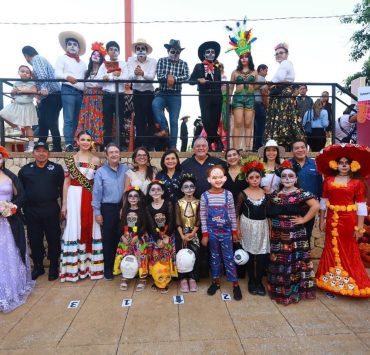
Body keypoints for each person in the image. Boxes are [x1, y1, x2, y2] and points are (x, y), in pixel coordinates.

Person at [315, 143, 370, 298]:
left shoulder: (357, 183)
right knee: (330, 248)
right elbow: (323, 201)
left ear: (352, 165)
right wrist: (321, 219)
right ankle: (330, 283)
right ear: (336, 165)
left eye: (347, 163)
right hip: (331, 218)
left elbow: (361, 206)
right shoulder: (328, 180)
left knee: (348, 249)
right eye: (341, 163)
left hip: (348, 222)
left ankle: (351, 281)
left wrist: (360, 228)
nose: (344, 165)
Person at [268, 160, 319, 305]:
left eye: (291, 176)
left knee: (294, 261)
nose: (287, 179)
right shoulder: (276, 194)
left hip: (295, 234)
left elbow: (315, 206)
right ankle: (280, 289)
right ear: (281, 179)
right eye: (284, 176)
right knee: (280, 261)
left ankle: (293, 291)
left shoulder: (301, 193)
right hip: (278, 235)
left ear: (296, 178)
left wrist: (303, 220)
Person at [60, 131, 103, 282]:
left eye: (88, 140)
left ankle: (92, 268)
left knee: (90, 226)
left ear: (92, 142)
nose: (85, 142)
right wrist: (64, 204)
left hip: (89, 196)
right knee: (74, 227)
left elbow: (97, 183)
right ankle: (74, 269)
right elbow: (66, 182)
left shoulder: (96, 160)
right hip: (73, 195)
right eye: (82, 139)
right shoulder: (70, 159)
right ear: (77, 141)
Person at [18, 141, 64, 281]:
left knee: (53, 238)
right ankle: (38, 266)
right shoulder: (25, 170)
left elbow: (62, 189)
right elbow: (21, 192)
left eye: (44, 151)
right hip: (31, 210)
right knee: (34, 239)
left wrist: (63, 207)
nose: (41, 153)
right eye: (38, 151)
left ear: (48, 153)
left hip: (50, 208)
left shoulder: (56, 168)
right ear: (33, 153)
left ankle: (54, 266)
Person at [0, 146, 35, 313]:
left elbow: (21, 195)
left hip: (8, 221)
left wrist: (12, 207)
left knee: (9, 253)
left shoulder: (9, 176)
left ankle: (12, 288)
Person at [200, 165, 242, 300]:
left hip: (226, 233)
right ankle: (215, 282)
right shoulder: (205, 196)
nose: (217, 180)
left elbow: (231, 213)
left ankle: (235, 284)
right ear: (209, 179)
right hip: (211, 233)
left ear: (224, 178)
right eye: (214, 177)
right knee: (214, 257)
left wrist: (234, 231)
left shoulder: (228, 194)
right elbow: (203, 216)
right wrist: (205, 235)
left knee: (229, 257)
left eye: (220, 177)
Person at [92, 142, 129, 280]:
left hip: (124, 207)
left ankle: (123, 266)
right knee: (108, 239)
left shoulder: (126, 169)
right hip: (107, 208)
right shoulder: (101, 172)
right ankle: (108, 268)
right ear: (106, 156)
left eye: (116, 152)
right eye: (111, 152)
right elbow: (96, 193)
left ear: (120, 154)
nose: (114, 154)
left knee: (123, 236)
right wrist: (97, 212)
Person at [236, 158, 269, 296]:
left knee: (262, 254)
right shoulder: (242, 194)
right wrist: (237, 229)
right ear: (247, 179)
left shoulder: (266, 193)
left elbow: (269, 213)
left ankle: (259, 281)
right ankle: (251, 281)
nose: (254, 180)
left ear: (261, 178)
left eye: (257, 177)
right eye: (251, 177)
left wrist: (271, 229)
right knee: (248, 253)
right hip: (247, 225)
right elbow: (237, 213)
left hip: (262, 226)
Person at [263, 42, 305, 150]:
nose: (278, 55)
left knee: (282, 119)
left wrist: (270, 84)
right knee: (286, 120)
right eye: (276, 54)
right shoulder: (286, 64)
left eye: (281, 53)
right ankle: (285, 144)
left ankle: (283, 143)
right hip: (283, 94)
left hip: (283, 95)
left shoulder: (285, 63)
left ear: (286, 54)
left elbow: (280, 78)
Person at [22, 45, 62, 152]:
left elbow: (43, 76)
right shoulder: (40, 60)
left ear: (26, 56)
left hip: (52, 95)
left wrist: (43, 89)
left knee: (51, 122)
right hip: (49, 96)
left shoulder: (37, 59)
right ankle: (41, 146)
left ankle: (57, 147)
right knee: (43, 122)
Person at [152, 39, 190, 150]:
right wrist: (167, 78)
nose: (175, 54)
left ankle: (173, 146)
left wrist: (174, 78)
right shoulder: (162, 61)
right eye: (173, 51)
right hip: (162, 93)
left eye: (177, 52)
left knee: (174, 120)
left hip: (176, 94)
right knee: (155, 105)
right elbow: (159, 75)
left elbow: (186, 76)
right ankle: (164, 129)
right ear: (168, 51)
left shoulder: (184, 63)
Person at [226, 22, 257, 150]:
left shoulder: (254, 72)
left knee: (248, 123)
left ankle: (248, 148)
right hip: (238, 98)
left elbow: (256, 87)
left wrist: (264, 86)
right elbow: (231, 88)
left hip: (250, 97)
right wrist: (228, 101)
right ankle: (235, 148)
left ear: (250, 58)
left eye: (246, 56)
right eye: (242, 57)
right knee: (238, 123)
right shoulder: (235, 72)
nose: (244, 59)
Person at [55, 31, 87, 152]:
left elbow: (85, 79)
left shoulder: (83, 63)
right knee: (68, 118)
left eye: (75, 44)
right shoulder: (62, 58)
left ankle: (73, 142)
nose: (72, 46)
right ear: (66, 46)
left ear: (78, 48)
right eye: (70, 44)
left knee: (76, 119)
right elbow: (57, 74)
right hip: (68, 89)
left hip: (80, 92)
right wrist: (67, 77)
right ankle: (68, 143)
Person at [113, 186, 149, 291]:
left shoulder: (143, 210)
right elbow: (120, 225)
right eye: (130, 196)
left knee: (140, 257)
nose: (133, 198)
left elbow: (144, 225)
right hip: (126, 237)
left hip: (139, 237)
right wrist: (122, 236)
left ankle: (142, 278)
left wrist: (137, 236)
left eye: (135, 196)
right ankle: (125, 277)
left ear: (139, 198)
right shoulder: (123, 210)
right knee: (124, 255)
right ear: (127, 198)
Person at [189, 41, 223, 151]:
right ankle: (216, 139)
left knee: (215, 119)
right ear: (204, 54)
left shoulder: (217, 67)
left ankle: (211, 141)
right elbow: (191, 80)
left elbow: (219, 81)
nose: (210, 54)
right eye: (208, 52)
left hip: (217, 95)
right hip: (204, 94)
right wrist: (199, 80)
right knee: (206, 119)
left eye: (212, 52)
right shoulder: (198, 66)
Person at [290, 139, 322, 248]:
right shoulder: (287, 164)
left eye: (302, 147)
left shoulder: (315, 164)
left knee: (306, 237)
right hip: (291, 207)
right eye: (296, 148)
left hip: (310, 208)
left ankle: (303, 263)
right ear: (292, 151)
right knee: (290, 238)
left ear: (306, 148)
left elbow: (320, 187)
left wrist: (321, 209)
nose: (300, 150)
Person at [146, 180, 177, 293]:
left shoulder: (168, 203)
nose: (156, 191)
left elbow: (172, 220)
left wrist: (167, 236)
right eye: (153, 189)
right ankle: (157, 280)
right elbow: (151, 224)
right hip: (156, 237)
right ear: (149, 192)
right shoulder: (148, 207)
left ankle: (166, 281)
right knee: (156, 259)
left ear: (163, 191)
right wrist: (158, 239)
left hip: (168, 235)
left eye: (158, 189)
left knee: (166, 259)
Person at [96, 40, 128, 147]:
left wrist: (109, 77)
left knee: (120, 121)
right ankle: (107, 145)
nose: (113, 52)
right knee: (107, 121)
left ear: (118, 52)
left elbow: (126, 78)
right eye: (111, 49)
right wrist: (112, 76)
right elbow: (98, 80)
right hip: (107, 95)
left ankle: (121, 145)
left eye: (116, 50)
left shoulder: (123, 64)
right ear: (108, 52)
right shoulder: (103, 65)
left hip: (119, 95)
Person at [75, 42, 106, 150]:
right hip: (87, 98)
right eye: (94, 54)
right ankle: (84, 143)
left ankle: (97, 145)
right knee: (86, 120)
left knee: (97, 120)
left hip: (98, 97)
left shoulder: (103, 70)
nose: (96, 56)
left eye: (98, 55)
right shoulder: (86, 72)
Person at [0, 65, 38, 152]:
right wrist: (13, 92)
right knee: (2, 113)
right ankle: (17, 128)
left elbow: (34, 91)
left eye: (27, 72)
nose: (25, 73)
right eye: (22, 71)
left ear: (30, 75)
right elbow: (13, 94)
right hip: (17, 104)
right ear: (19, 72)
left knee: (28, 126)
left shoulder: (32, 83)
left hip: (27, 105)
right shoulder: (16, 83)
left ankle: (31, 146)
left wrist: (22, 91)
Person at [127, 38, 157, 149]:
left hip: (149, 92)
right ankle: (141, 144)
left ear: (146, 50)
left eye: (142, 48)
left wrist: (142, 73)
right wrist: (135, 74)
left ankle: (149, 144)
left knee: (150, 118)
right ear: (135, 50)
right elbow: (129, 76)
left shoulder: (153, 61)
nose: (140, 50)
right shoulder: (130, 60)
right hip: (137, 92)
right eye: (138, 48)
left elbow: (152, 77)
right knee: (139, 119)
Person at [176, 174, 200, 292]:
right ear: (181, 189)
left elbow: (200, 219)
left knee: (194, 254)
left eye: (191, 186)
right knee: (182, 255)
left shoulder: (198, 202)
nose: (189, 189)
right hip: (182, 233)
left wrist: (193, 233)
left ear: (195, 188)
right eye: (186, 187)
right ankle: (183, 279)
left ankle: (192, 278)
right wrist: (182, 235)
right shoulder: (179, 202)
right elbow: (177, 220)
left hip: (194, 233)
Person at [253, 64, 268, 151]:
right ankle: (258, 145)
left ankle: (253, 145)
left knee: (254, 126)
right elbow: (264, 92)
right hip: (259, 103)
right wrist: (266, 105)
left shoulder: (254, 77)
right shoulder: (261, 79)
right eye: (266, 70)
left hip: (251, 103)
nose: (267, 73)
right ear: (261, 70)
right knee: (261, 126)